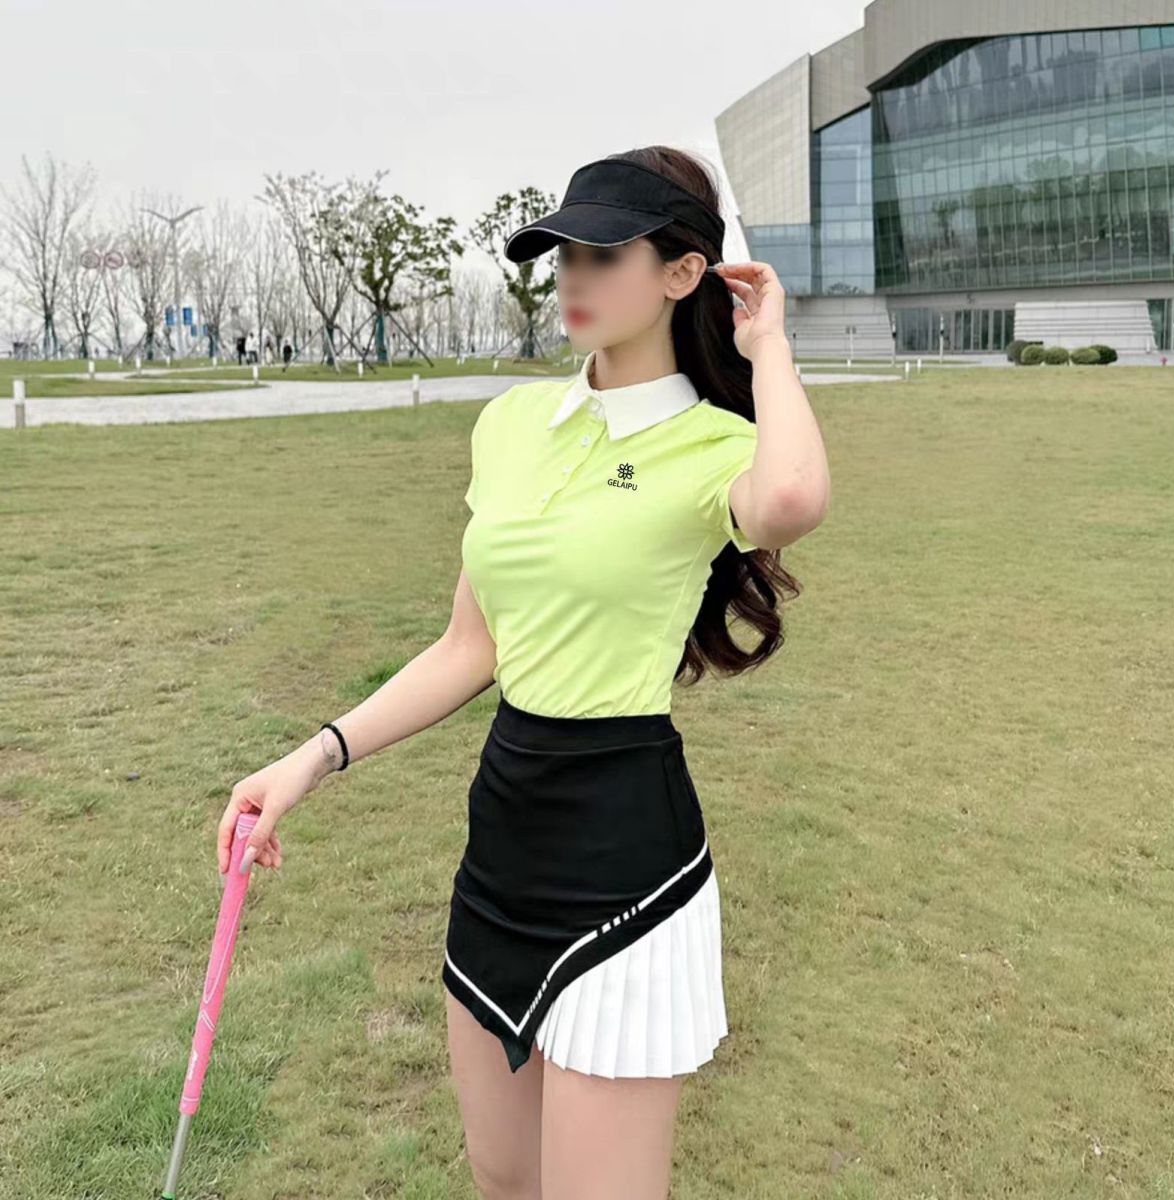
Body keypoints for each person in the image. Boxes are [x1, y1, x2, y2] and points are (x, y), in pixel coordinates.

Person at [215, 146, 830, 1197]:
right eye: (563, 255)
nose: (573, 277)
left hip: (627, 863)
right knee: (503, 1177)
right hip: (502, 845)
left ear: (682, 273)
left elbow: (791, 502)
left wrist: (768, 344)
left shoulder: (712, 444)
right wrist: (307, 762)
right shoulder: (508, 426)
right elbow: (471, 647)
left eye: (603, 254)